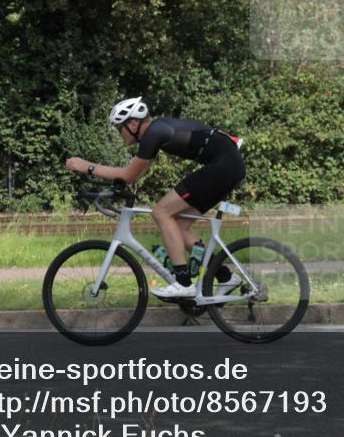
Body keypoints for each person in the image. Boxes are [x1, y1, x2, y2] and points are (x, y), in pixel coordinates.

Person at [65, 96, 245, 299]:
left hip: (223, 167)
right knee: (178, 224)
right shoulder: (157, 130)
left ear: (133, 123)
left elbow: (128, 175)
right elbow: (132, 177)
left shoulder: (154, 132)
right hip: (228, 166)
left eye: (119, 128)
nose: (119, 134)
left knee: (161, 212)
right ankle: (225, 277)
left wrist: (87, 166)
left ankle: (183, 283)